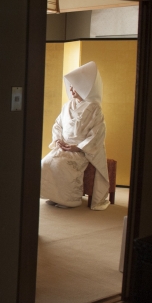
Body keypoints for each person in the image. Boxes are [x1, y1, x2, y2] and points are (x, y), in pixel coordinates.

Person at [40, 61, 110, 210]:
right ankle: (54, 196)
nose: (71, 89)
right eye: (70, 86)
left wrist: (77, 147)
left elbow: (97, 134)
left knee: (61, 165)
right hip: (64, 147)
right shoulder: (67, 106)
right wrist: (58, 140)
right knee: (45, 163)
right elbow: (57, 124)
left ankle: (70, 200)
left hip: (81, 151)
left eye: (75, 86)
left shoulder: (95, 109)